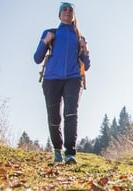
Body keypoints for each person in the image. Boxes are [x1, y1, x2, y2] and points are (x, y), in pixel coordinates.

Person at [34, 2, 90, 164]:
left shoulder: (79, 37)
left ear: (73, 15)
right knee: (54, 116)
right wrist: (46, 41)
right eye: (64, 9)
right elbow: (37, 58)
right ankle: (57, 150)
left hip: (73, 78)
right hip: (51, 79)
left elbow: (86, 65)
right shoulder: (50, 32)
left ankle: (70, 153)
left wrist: (84, 49)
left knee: (71, 113)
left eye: (70, 9)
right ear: (59, 14)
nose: (67, 11)